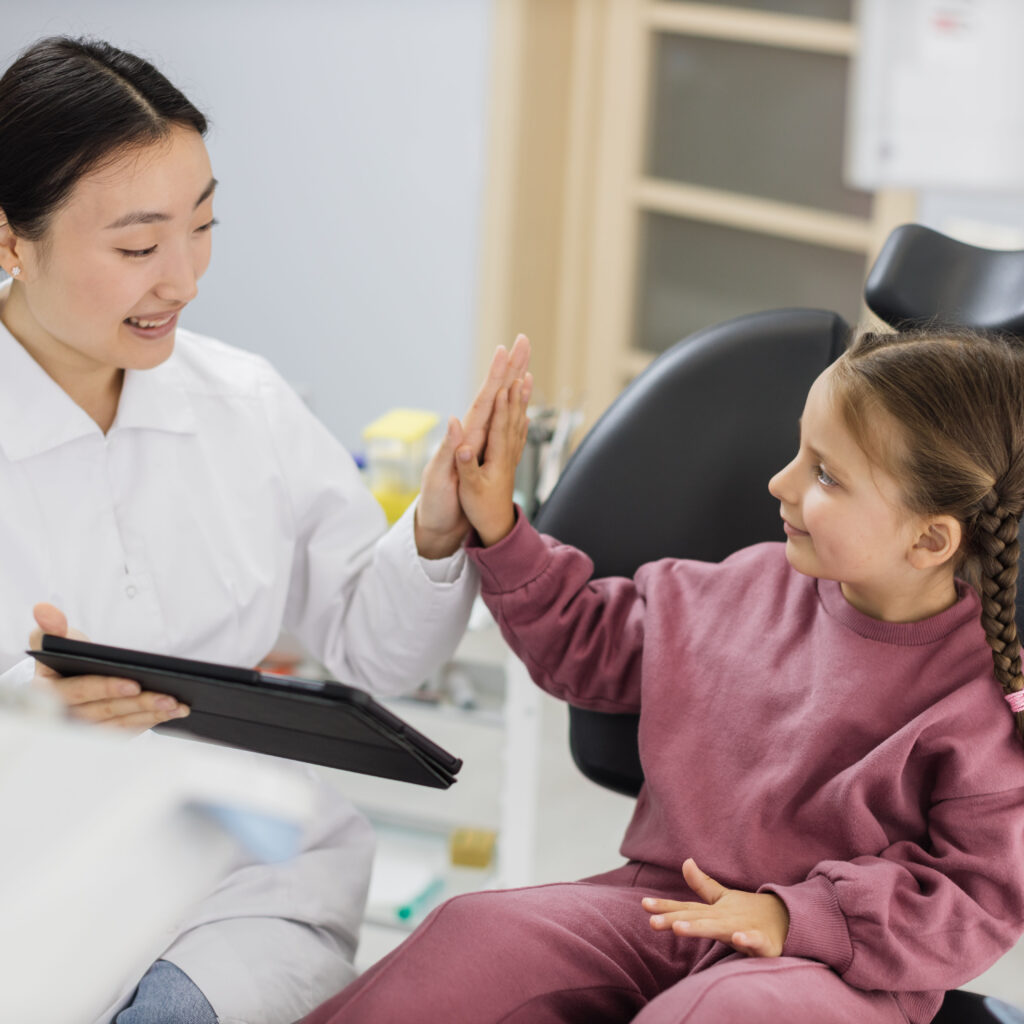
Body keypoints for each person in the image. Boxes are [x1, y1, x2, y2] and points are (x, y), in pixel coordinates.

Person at [0, 35, 530, 1024]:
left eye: (201, 227)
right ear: (9, 241)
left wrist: (433, 527)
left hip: (231, 884)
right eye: (135, 246)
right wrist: (26, 719)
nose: (183, 280)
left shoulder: (243, 404)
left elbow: (375, 650)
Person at [301, 326, 1024, 1024]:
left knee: (717, 1012)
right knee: (477, 936)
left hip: (833, 971)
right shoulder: (747, 586)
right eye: (799, 452)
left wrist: (794, 916)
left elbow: (975, 898)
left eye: (826, 475)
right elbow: (591, 642)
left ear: (931, 538)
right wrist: (498, 527)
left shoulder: (984, 695)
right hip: (660, 908)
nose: (781, 481)